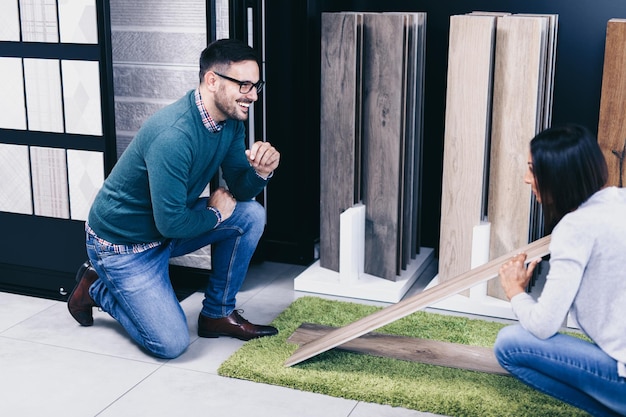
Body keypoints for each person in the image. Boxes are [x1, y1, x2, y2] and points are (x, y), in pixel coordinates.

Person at [67, 38, 281, 359]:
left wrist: (261, 172)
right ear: (212, 81)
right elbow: (171, 223)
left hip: (164, 229)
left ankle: (217, 314)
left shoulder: (230, 122)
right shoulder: (173, 135)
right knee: (171, 344)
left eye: (256, 85)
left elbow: (238, 189)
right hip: (124, 246)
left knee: (250, 215)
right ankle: (97, 287)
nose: (254, 95)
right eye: (245, 85)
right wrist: (215, 216)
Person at [494, 124, 626, 416]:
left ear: (559, 176)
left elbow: (544, 325)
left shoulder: (575, 228)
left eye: (532, 169)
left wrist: (515, 291)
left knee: (508, 345)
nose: (526, 178)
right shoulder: (620, 200)